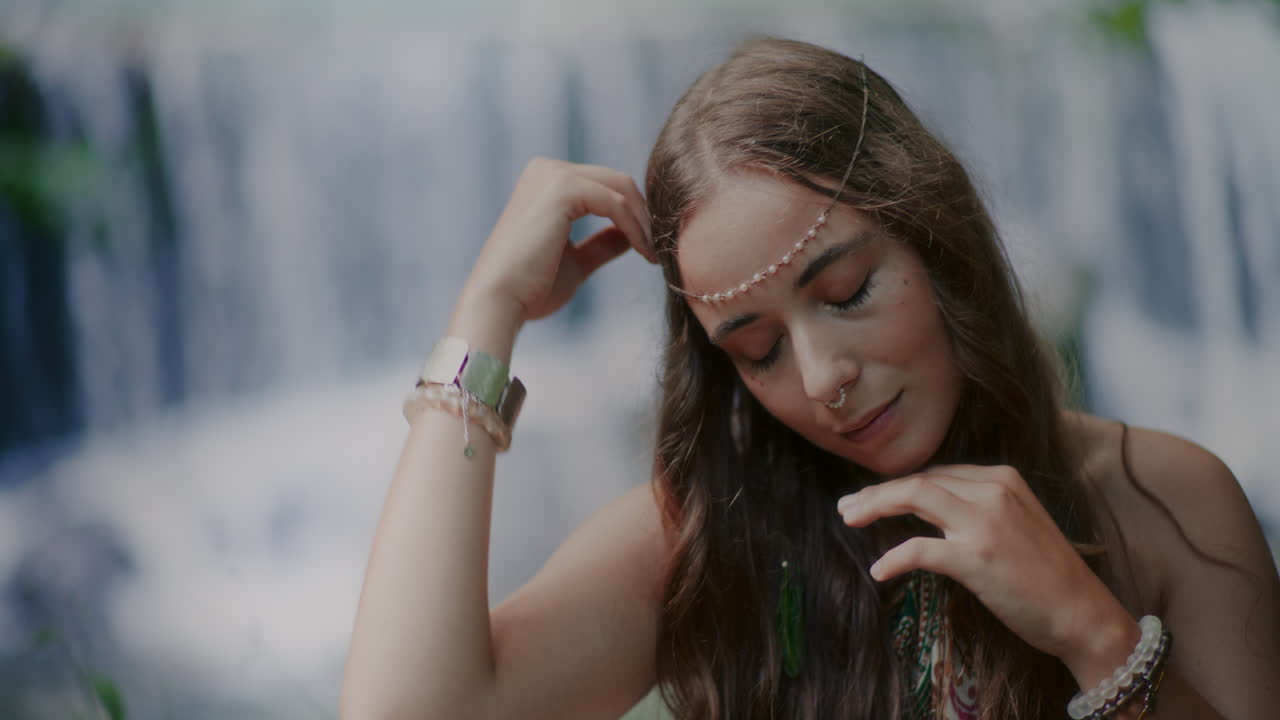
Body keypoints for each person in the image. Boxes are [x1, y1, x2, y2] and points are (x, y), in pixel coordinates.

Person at [339, 36, 1279, 720]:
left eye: (848, 291)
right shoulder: (701, 540)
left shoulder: (1167, 500)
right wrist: (487, 310)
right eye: (758, 353)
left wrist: (1091, 633)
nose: (824, 377)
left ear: (933, 231)